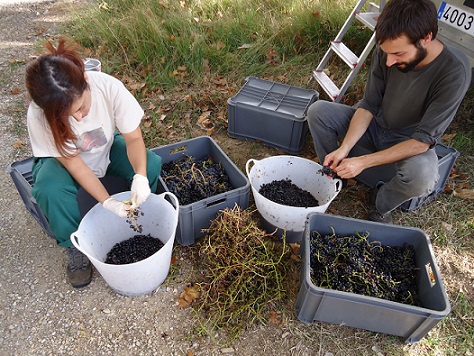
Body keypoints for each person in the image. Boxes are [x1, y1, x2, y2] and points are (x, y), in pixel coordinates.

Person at [307, 0, 471, 223]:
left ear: (427, 38)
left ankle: (381, 203)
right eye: (387, 53)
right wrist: (344, 149)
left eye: (399, 54)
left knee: (421, 177)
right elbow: (369, 105)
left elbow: (422, 142)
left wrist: (362, 162)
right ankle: (334, 174)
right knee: (318, 112)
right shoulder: (388, 50)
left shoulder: (454, 71)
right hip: (376, 125)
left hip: (409, 140)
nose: (390, 61)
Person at [25, 37, 162, 288]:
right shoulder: (38, 114)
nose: (78, 117)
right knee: (48, 188)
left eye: (82, 107)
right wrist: (107, 201)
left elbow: (133, 139)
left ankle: (140, 211)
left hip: (106, 148)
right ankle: (73, 244)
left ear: (86, 82)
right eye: (69, 115)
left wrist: (140, 176)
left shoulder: (108, 87)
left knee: (151, 164)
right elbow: (74, 164)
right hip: (66, 163)